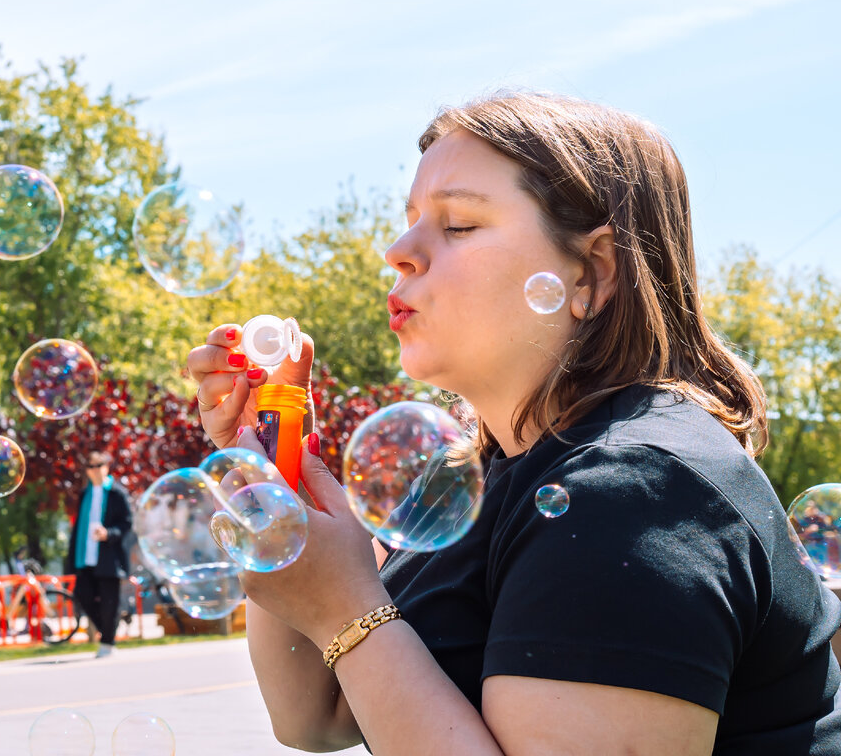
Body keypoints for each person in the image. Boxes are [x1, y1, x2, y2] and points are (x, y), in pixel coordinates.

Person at [188, 92, 841, 754]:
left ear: (591, 274)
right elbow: (312, 715)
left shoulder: (633, 490)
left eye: (458, 225)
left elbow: (348, 634)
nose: (398, 251)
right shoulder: (473, 478)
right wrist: (277, 470)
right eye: (409, 221)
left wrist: (348, 607)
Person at [64, 450, 133, 658]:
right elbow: (78, 527)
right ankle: (109, 629)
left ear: (106, 468)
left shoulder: (117, 493)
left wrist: (108, 533)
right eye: (90, 467)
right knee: (82, 595)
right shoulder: (84, 494)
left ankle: (107, 642)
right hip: (85, 556)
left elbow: (126, 523)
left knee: (109, 601)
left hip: (109, 557)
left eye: (98, 466)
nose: (94, 470)